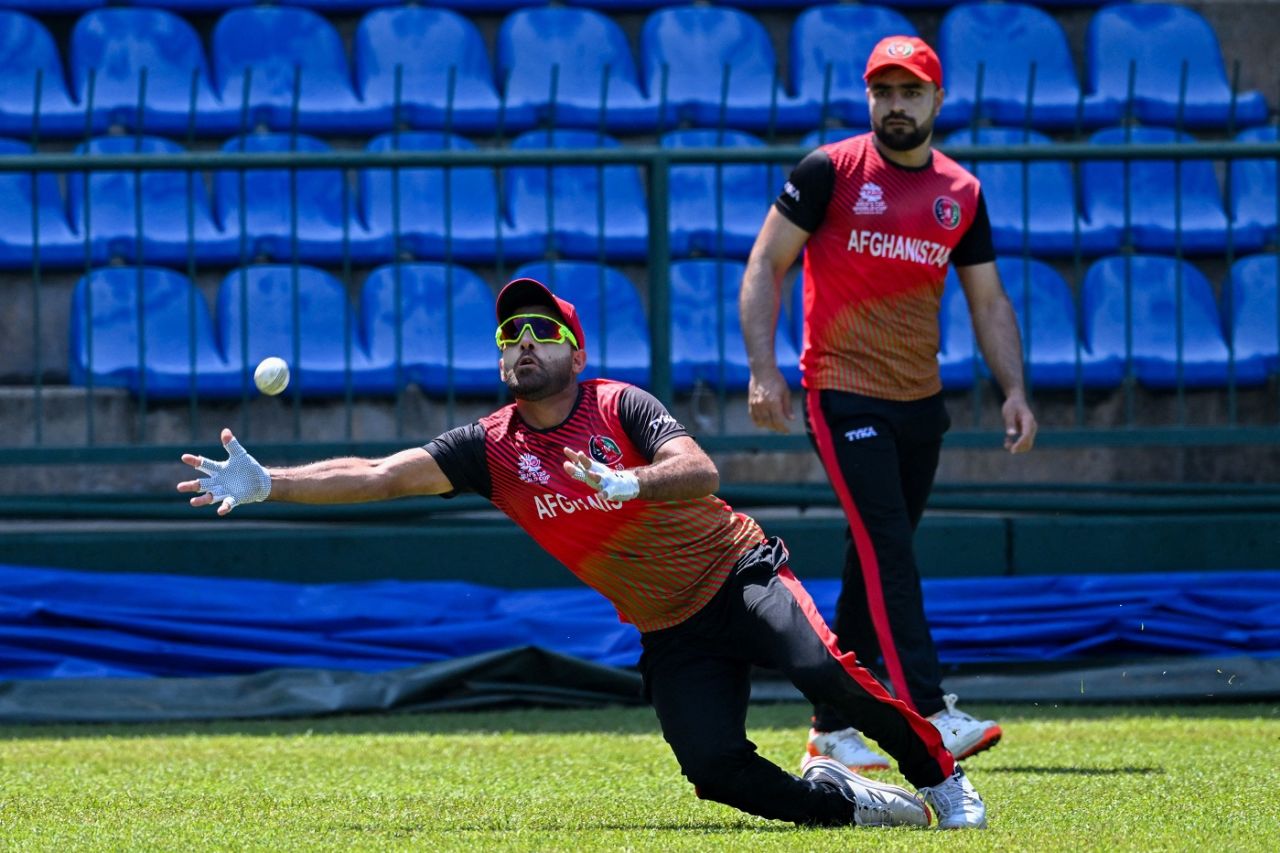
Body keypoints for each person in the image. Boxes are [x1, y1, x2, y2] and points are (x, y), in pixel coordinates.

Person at [178, 277, 987, 830]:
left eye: (542, 331)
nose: (523, 342)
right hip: (670, 625)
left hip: (736, 572)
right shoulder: (489, 447)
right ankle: (843, 804)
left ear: (576, 348)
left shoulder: (619, 403)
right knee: (714, 769)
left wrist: (630, 483)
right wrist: (271, 483)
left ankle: (942, 780)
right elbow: (382, 474)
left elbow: (700, 470)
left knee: (821, 667)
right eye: (511, 334)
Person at [740, 35, 1039, 772]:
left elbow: (990, 300)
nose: (895, 105)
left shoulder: (961, 193)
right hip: (840, 390)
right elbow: (764, 263)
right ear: (868, 98)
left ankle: (832, 727)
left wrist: (1016, 390)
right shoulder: (828, 171)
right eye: (883, 91)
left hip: (920, 400)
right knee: (889, 548)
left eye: (910, 91)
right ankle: (930, 713)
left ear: (939, 100)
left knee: (869, 553)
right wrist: (762, 370)